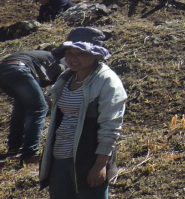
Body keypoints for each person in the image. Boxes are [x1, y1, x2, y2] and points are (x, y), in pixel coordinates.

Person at [40, 29, 127, 199]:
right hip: (59, 155)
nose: (73, 58)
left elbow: (111, 125)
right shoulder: (66, 77)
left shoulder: (107, 81)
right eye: (69, 52)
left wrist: (99, 165)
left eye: (80, 53)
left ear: (95, 54)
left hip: (87, 156)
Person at [0, 50, 63, 167]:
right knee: (39, 108)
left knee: (21, 104)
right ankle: (30, 154)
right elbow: (60, 91)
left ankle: (14, 146)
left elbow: (37, 90)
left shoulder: (45, 58)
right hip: (18, 70)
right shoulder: (63, 65)